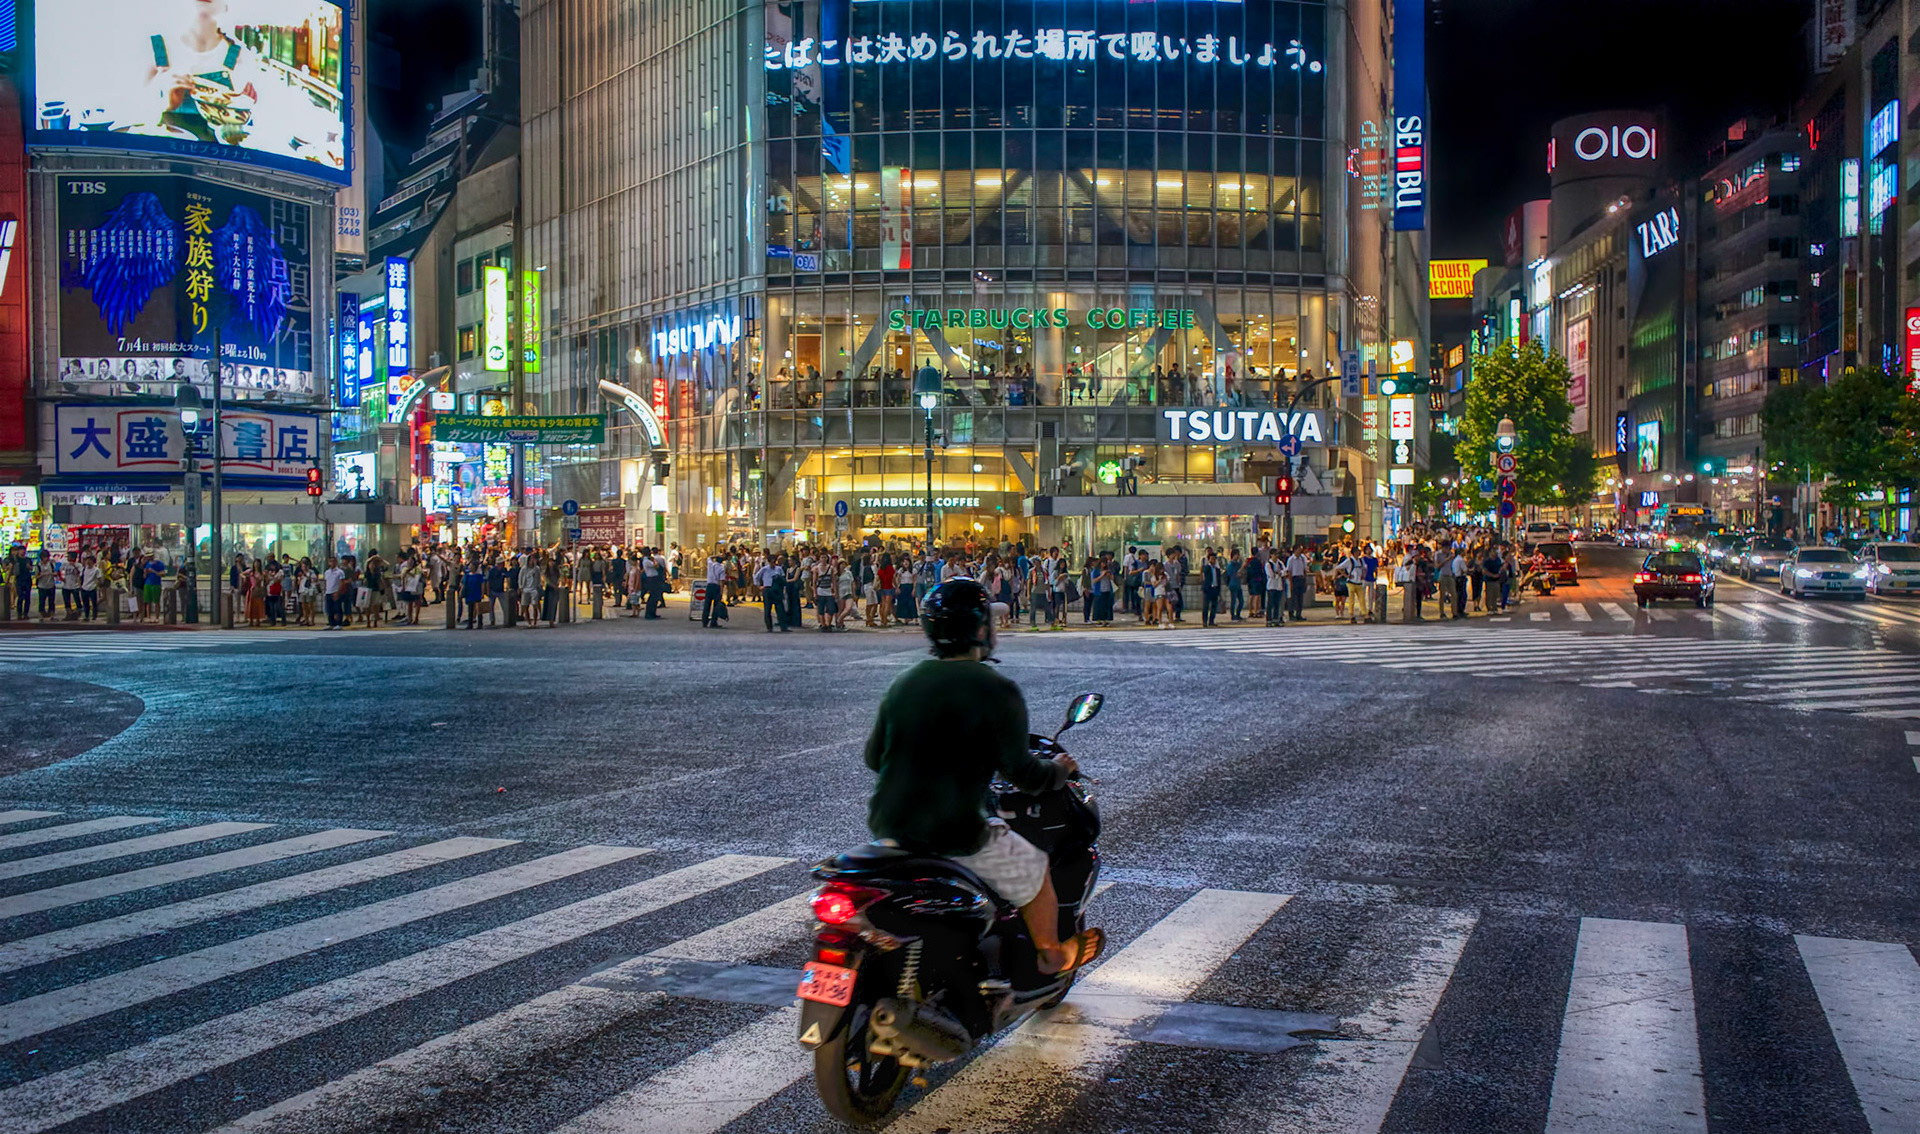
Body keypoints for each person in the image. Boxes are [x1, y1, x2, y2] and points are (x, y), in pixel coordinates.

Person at [863, 579, 1106, 975]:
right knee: (1034, 868)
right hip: (956, 831)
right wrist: (1060, 770)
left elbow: (875, 757)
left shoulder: (904, 683)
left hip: (889, 828)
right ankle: (1051, 953)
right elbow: (1025, 773)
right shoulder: (996, 689)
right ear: (980, 629)